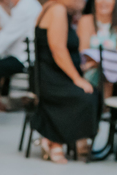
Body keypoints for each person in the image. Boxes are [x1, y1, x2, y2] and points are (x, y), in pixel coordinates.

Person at [34, 0, 102, 163]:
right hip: (51, 79)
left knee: (95, 92)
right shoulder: (57, 10)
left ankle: (71, 139)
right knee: (87, 96)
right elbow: (57, 49)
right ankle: (55, 140)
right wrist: (77, 78)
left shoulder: (55, 8)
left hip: (54, 75)